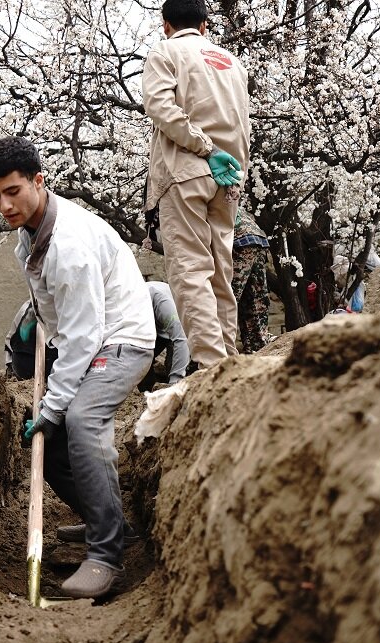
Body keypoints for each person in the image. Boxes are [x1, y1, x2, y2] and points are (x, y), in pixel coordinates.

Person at [0, 136, 156, 599]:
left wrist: (54, 403)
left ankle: (106, 556)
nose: (4, 204)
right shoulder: (31, 234)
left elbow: (83, 336)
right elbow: (61, 313)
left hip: (121, 339)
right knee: (49, 436)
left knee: (78, 419)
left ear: (40, 181)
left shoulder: (69, 244)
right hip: (88, 337)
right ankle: (109, 521)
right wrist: (35, 319)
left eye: (13, 191)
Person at [142, 0, 251, 370]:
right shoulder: (233, 62)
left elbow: (160, 109)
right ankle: (230, 363)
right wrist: (238, 175)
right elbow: (242, 124)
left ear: (165, 23)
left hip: (187, 171)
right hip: (229, 175)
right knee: (221, 271)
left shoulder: (165, 52)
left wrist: (203, 147)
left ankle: (210, 369)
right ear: (205, 25)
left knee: (191, 270)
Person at [6, 282, 189, 388]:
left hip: (167, 333)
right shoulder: (120, 306)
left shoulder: (161, 300)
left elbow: (180, 339)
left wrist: (176, 384)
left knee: (177, 366)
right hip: (29, 356)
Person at [231, 209, 272, 353]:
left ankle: (221, 348)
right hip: (258, 238)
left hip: (239, 239)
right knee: (256, 297)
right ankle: (258, 345)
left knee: (228, 298)